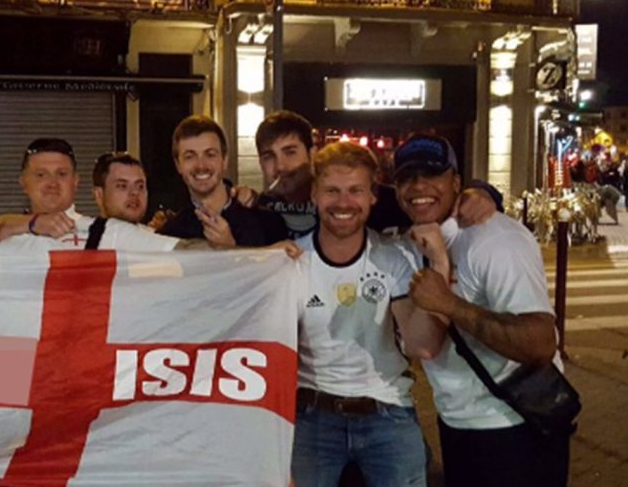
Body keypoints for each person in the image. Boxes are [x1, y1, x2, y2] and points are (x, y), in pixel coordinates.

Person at [398, 135, 569, 487]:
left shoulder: (494, 238)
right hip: (457, 424)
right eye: (407, 176)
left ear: (456, 182)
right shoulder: (416, 239)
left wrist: (449, 304)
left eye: (432, 173)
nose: (418, 186)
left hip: (514, 425)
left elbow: (540, 343)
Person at [291, 141, 449, 487]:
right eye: (332, 190)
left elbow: (421, 345)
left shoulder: (393, 258)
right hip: (311, 416)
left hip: (387, 410)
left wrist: (439, 263)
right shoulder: (292, 262)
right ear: (315, 194)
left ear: (373, 196)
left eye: (355, 191)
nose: (344, 203)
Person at [238, 110, 502, 237]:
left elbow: (428, 201)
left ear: (312, 152)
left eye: (290, 152)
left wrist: (480, 191)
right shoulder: (261, 209)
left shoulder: (365, 200)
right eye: (268, 156)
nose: (281, 166)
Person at [0, 138, 183, 252]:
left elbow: (185, 252)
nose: (52, 183)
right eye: (41, 175)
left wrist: (214, 245)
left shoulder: (106, 231)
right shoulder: (2, 237)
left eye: (62, 174)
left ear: (76, 182)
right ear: (23, 182)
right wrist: (34, 223)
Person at [158, 115, 289, 247]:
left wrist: (230, 249)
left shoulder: (267, 222)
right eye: (190, 157)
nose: (201, 166)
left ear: (225, 160)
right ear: (178, 165)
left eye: (210, 154)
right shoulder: (169, 236)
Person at [91, 151, 148, 224]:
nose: (135, 192)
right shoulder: (83, 234)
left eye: (140, 186)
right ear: (99, 195)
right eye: (123, 186)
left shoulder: (153, 235)